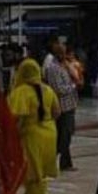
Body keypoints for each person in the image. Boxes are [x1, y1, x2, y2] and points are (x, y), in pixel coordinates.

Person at [8, 58, 58, 194]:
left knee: (33, 173)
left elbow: (14, 116)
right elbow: (57, 111)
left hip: (31, 134)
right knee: (39, 171)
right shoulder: (48, 90)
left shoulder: (21, 91)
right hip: (50, 133)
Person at [44, 43, 79, 172]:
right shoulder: (53, 68)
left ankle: (65, 162)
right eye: (62, 53)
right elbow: (58, 89)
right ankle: (57, 162)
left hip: (69, 104)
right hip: (62, 107)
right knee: (64, 135)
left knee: (65, 135)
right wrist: (73, 86)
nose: (64, 55)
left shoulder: (62, 65)